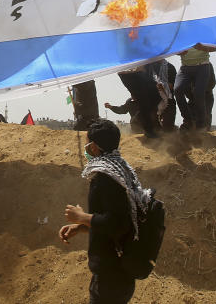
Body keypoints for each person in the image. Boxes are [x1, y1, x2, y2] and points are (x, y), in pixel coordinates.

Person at [60, 119, 151, 304]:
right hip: (116, 273)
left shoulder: (106, 178)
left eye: (87, 143)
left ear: (93, 147)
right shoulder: (120, 170)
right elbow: (116, 222)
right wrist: (82, 227)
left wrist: (82, 217)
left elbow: (117, 223)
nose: (86, 148)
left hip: (111, 276)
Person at [174, 44, 216, 131]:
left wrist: (201, 47)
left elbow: (214, 48)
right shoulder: (182, 33)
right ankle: (188, 121)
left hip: (202, 66)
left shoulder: (205, 32)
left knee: (199, 94)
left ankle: (201, 124)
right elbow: (175, 48)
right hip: (186, 67)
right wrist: (179, 51)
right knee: (177, 90)